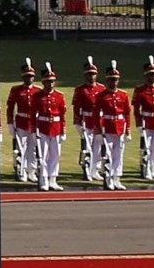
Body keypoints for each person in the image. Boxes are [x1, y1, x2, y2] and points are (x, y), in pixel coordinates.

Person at [74, 60, 108, 191]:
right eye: (89, 74)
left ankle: (95, 170)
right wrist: (77, 122)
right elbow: (77, 108)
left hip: (98, 121)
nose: (91, 76)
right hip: (86, 121)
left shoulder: (101, 88)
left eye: (93, 74)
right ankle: (87, 170)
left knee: (98, 148)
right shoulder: (80, 89)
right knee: (87, 148)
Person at [33, 64, 68, 192]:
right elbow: (33, 114)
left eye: (52, 81)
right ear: (43, 82)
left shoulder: (59, 96)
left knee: (55, 155)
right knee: (43, 155)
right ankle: (43, 179)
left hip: (56, 128)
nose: (50, 84)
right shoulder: (37, 96)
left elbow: (62, 114)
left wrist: (63, 130)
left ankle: (53, 178)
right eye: (48, 81)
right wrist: (34, 130)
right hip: (42, 128)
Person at [5, 61, 40, 187]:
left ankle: (32, 171)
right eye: (26, 76)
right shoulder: (16, 90)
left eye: (31, 76)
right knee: (21, 148)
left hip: (34, 124)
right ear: (22, 77)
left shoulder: (38, 91)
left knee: (33, 149)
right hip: (21, 122)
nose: (29, 78)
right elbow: (10, 107)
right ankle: (22, 171)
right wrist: (10, 123)